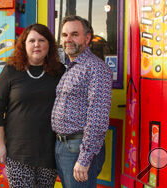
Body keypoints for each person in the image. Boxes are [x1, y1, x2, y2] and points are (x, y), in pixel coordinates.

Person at [0, 23, 64, 188]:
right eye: (32, 41)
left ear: (49, 45)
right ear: (24, 45)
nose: (37, 44)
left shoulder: (59, 72)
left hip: (48, 151)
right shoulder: (11, 70)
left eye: (42, 40)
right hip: (18, 152)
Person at [51, 15, 112, 188]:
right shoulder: (69, 67)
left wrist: (84, 159)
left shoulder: (96, 68)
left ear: (87, 38)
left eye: (74, 34)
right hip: (62, 146)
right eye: (64, 35)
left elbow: (98, 118)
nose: (68, 39)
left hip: (78, 149)